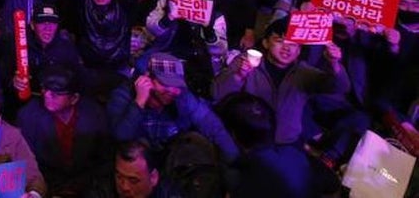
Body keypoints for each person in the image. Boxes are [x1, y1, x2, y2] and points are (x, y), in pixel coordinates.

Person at [211, 15, 355, 169]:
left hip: (287, 144)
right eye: (279, 41)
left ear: (299, 50)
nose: (287, 47)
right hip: (248, 144)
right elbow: (217, 93)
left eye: (293, 44)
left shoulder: (303, 72)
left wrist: (334, 63)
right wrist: (238, 76)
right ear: (265, 43)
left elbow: (340, 87)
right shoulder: (246, 63)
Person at [107, 53, 239, 163]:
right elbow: (120, 140)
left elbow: (212, 125)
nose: (172, 90)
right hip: (138, 163)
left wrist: (235, 160)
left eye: (176, 85)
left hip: (171, 157)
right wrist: (139, 103)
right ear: (147, 79)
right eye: (165, 84)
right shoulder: (123, 96)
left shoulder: (182, 96)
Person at [17, 64, 111, 198]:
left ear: (74, 98)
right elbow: (26, 163)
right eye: (45, 89)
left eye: (55, 93)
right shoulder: (28, 117)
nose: (47, 95)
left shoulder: (95, 116)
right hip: (47, 187)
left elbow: (104, 161)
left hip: (86, 187)